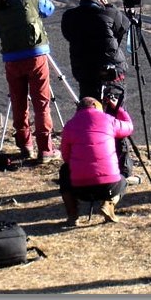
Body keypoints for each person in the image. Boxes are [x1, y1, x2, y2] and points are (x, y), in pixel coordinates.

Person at [0, 0, 60, 164]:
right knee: (41, 103)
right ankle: (45, 149)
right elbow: (50, 9)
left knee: (19, 103)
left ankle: (25, 146)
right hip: (36, 56)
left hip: (11, 60)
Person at [59, 97, 134, 226]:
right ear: (95, 105)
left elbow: (66, 157)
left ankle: (72, 214)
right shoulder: (108, 120)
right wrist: (118, 108)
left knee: (64, 170)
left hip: (80, 189)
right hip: (108, 186)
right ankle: (108, 203)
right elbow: (129, 127)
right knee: (122, 179)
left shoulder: (69, 125)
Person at [60, 0, 130, 101]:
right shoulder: (110, 13)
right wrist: (108, 5)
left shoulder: (69, 17)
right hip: (112, 74)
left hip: (85, 75)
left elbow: (68, 35)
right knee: (114, 117)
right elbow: (124, 26)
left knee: (91, 114)